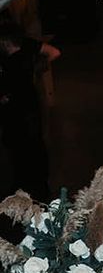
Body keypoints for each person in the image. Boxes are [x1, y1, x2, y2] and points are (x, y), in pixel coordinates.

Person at [0, 20, 60, 201]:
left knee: (26, 145)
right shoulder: (27, 46)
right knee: (26, 144)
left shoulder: (21, 49)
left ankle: (30, 187)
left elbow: (55, 53)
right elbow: (54, 52)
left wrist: (39, 67)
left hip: (20, 106)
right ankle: (32, 186)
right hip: (22, 104)